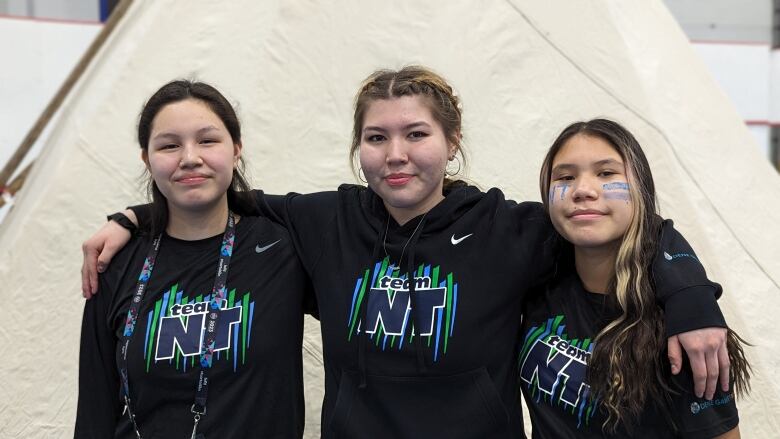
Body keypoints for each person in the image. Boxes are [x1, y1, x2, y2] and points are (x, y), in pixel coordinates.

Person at [80, 67, 729, 438]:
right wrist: (131, 217)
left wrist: (692, 296)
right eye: (376, 136)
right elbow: (218, 192)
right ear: (358, 147)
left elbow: (617, 218)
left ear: (452, 142)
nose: (395, 154)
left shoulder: (509, 228)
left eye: (416, 134)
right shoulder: (325, 219)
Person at [75, 81, 311, 438]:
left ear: (236, 149)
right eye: (169, 145)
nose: (189, 157)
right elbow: (94, 409)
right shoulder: (117, 263)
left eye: (207, 140)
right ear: (147, 159)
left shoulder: (285, 248)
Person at [518, 119, 750, 438]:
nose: (583, 190)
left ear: (640, 188)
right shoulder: (536, 278)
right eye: (566, 177)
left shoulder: (681, 327)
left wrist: (691, 292)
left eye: (606, 173)